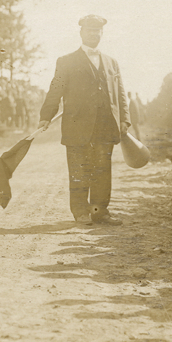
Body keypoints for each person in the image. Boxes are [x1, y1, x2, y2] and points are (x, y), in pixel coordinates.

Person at [38, 15, 130, 226]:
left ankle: (99, 211)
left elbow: (121, 93)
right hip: (77, 126)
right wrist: (45, 116)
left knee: (102, 170)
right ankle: (80, 211)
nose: (94, 34)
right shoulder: (66, 61)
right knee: (79, 170)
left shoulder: (111, 62)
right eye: (90, 30)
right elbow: (56, 90)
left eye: (98, 31)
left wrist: (125, 119)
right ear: (81, 33)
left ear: (102, 33)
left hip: (106, 125)